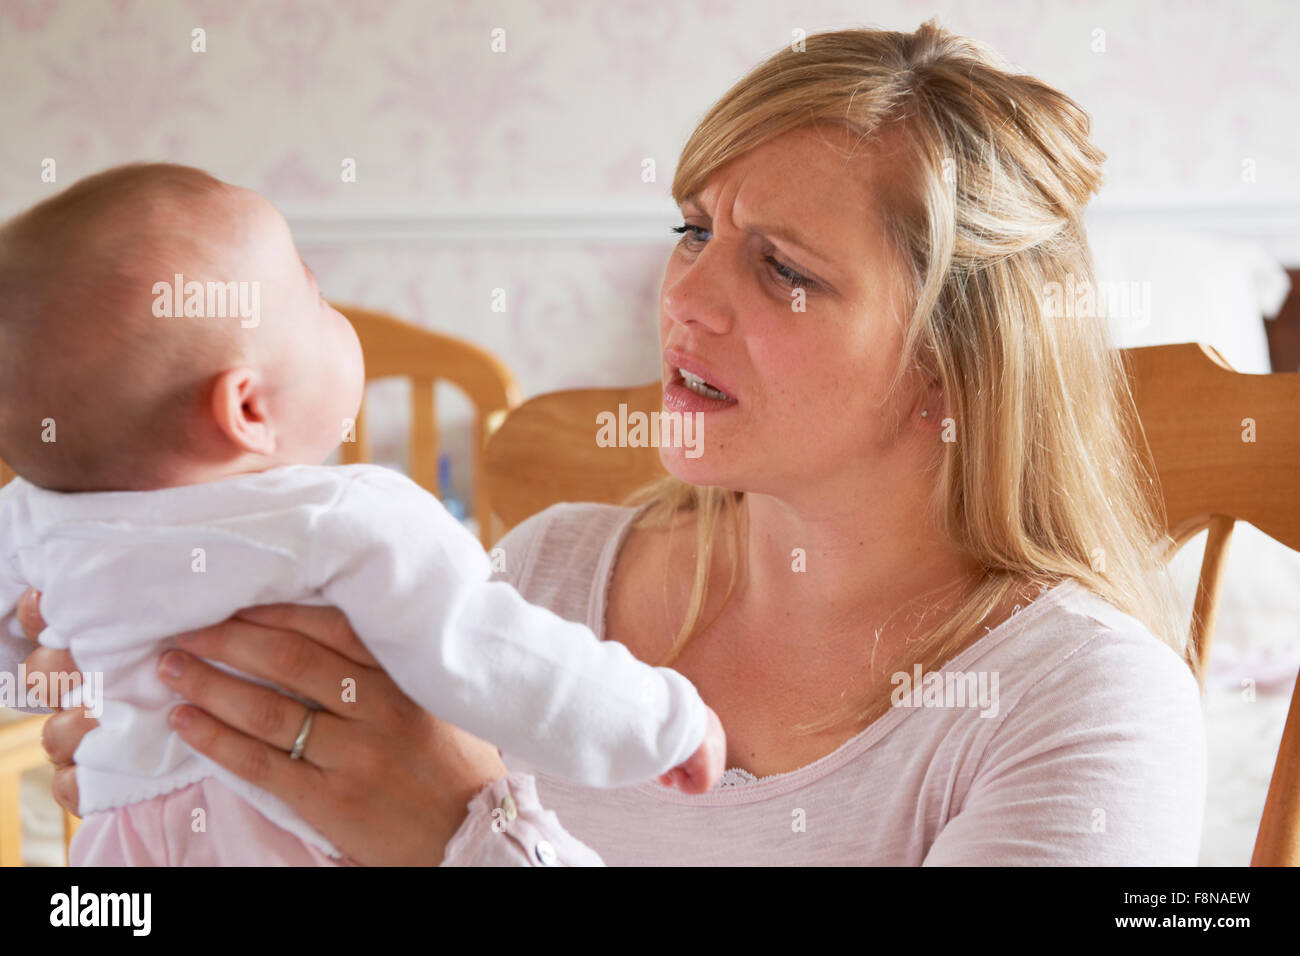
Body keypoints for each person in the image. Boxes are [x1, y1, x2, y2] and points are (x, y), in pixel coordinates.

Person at [20, 20, 1206, 866]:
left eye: (781, 268)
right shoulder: (546, 574)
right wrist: (200, 760)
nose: (685, 293)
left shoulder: (1084, 706)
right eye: (693, 227)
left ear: (956, 355)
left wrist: (469, 836)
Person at [0, 163, 724, 866]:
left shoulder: (32, 517)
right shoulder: (342, 520)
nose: (337, 314)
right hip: (287, 835)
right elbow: (494, 654)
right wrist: (661, 721)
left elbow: (16, 654)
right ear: (248, 408)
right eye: (316, 299)